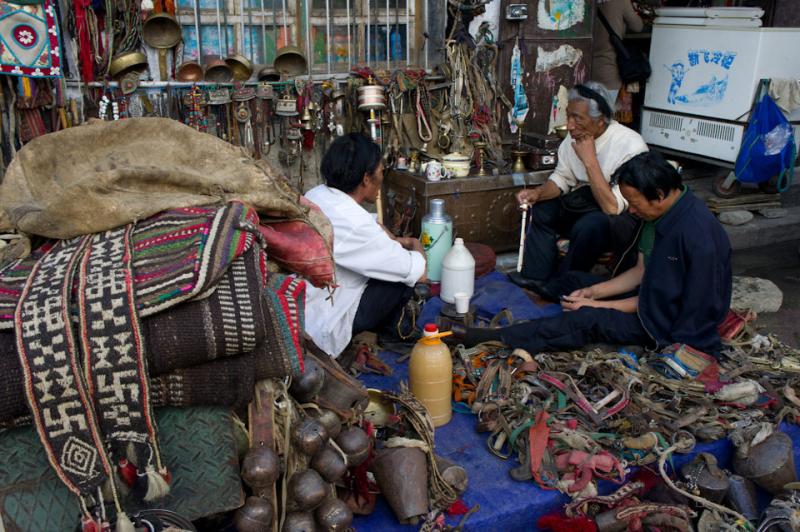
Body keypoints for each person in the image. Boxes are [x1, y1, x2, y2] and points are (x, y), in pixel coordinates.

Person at [468, 151, 732, 357]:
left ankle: (500, 337)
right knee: (575, 281)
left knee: (586, 319)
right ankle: (542, 301)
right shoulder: (661, 215)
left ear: (659, 195)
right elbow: (641, 272)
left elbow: (658, 304)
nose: (631, 211)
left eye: (635, 203)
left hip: (663, 326)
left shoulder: (694, 235)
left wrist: (596, 306)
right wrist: (593, 293)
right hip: (651, 300)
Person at [510, 81, 647, 293]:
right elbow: (563, 178)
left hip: (616, 217)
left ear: (600, 120)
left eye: (577, 118)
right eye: (568, 116)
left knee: (589, 226)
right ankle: (536, 277)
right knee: (542, 210)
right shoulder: (573, 138)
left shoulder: (630, 145)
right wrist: (538, 193)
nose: (570, 126)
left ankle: (562, 285)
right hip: (585, 201)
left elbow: (613, 207)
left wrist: (590, 160)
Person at [304, 133, 427, 358]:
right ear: (366, 179)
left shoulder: (317, 194)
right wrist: (414, 243)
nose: (382, 176)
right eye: (381, 171)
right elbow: (420, 273)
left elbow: (373, 228)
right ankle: (392, 332)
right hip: (324, 323)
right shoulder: (356, 225)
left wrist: (397, 241)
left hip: (307, 304)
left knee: (392, 259)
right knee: (403, 276)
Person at [592, 0, 645, 104]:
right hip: (608, 71)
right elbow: (638, 26)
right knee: (603, 112)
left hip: (583, 70)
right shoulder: (621, 1)